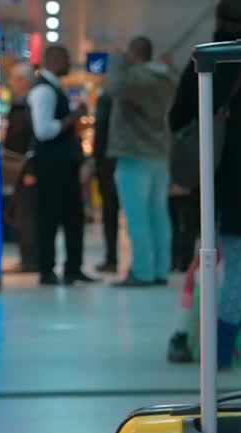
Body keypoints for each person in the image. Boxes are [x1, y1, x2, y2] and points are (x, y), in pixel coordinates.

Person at [170, 0, 241, 368]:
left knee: (235, 262)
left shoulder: (201, 63)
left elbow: (176, 120)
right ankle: (219, 351)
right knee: (238, 265)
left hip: (208, 180)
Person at [109, 36, 178, 287]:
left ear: (133, 54)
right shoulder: (167, 78)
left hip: (134, 153)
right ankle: (160, 269)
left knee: (137, 217)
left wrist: (116, 61)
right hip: (159, 153)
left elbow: (113, 88)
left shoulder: (134, 77)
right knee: (159, 216)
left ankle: (142, 272)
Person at [29, 45, 96, 286]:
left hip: (62, 165)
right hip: (52, 166)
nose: (69, 63)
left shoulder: (53, 88)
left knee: (72, 216)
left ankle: (73, 268)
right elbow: (43, 130)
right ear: (54, 60)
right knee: (49, 217)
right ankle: (47, 269)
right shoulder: (44, 91)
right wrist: (72, 118)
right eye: (66, 58)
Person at [2, 63, 38, 274]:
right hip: (21, 167)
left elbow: (32, 138)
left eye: (14, 78)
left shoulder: (27, 106)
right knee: (22, 212)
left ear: (24, 81)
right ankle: (29, 258)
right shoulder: (22, 105)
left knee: (27, 213)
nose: (10, 83)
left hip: (25, 167)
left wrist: (31, 169)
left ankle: (30, 259)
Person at [92, 91, 121, 274]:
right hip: (138, 157)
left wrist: (95, 160)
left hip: (109, 162)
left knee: (110, 212)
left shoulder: (107, 98)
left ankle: (112, 259)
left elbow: (101, 131)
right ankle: (153, 264)